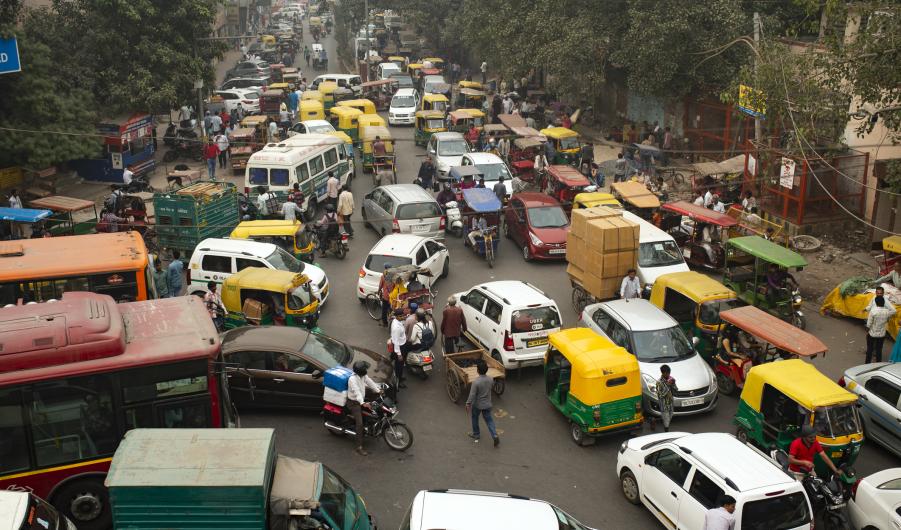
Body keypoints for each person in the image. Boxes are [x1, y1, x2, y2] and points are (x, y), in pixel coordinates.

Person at [347, 360, 382, 456]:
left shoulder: (363, 376)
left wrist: (378, 390)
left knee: (375, 409)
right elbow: (356, 391)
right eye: (365, 369)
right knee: (360, 423)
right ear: (361, 371)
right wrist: (362, 403)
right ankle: (359, 447)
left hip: (361, 399)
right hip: (354, 403)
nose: (366, 370)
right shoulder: (352, 379)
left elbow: (370, 382)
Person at [466, 360, 499, 446]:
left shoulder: (476, 382)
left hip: (478, 405)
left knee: (475, 417)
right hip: (488, 404)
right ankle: (494, 435)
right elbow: (492, 387)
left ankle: (476, 434)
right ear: (487, 370)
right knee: (489, 420)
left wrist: (468, 403)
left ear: (477, 370)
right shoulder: (491, 379)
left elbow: (472, 395)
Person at [866, 295, 893, 363]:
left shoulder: (873, 311)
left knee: (870, 350)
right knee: (879, 350)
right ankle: (878, 364)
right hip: (882, 334)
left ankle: (867, 363)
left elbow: (869, 324)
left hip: (872, 333)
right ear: (883, 303)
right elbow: (888, 320)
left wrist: (868, 330)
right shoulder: (887, 312)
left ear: (876, 302)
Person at [653, 365, 677, 432]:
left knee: (670, 416)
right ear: (662, 373)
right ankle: (666, 430)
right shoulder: (659, 382)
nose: (668, 375)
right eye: (666, 373)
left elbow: (676, 390)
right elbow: (660, 395)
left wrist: (673, 384)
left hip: (670, 403)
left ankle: (653, 420)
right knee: (666, 418)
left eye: (669, 373)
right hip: (663, 404)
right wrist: (668, 386)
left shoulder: (671, 379)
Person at [389, 308, 408, 388]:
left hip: (401, 344)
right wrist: (399, 354)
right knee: (399, 365)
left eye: (403, 315)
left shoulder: (397, 321)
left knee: (399, 363)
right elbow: (396, 342)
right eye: (401, 316)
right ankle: (398, 380)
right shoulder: (396, 328)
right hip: (399, 347)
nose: (403, 317)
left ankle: (399, 376)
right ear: (397, 317)